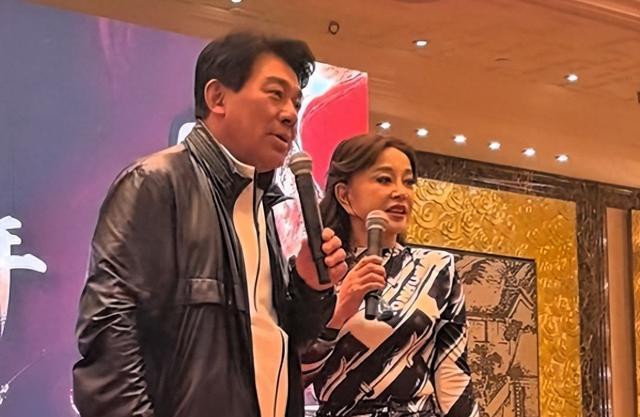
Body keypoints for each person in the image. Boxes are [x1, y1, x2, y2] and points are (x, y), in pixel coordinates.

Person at [72, 32, 347, 417]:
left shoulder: (259, 205)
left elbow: (279, 343)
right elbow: (109, 336)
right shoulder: (156, 182)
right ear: (218, 97)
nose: (290, 114)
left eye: (296, 102)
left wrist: (309, 287)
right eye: (275, 94)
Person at [301, 135, 478, 417]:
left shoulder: (436, 267)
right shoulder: (316, 270)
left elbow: (453, 374)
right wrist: (339, 311)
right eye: (384, 179)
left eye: (408, 182)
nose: (401, 192)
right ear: (344, 195)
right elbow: (292, 375)